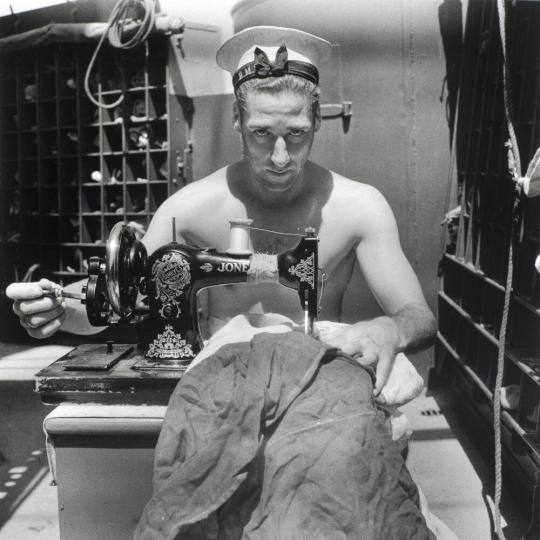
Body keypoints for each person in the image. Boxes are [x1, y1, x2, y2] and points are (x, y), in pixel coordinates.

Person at [6, 25, 436, 398]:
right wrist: (60, 306)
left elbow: (417, 317)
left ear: (318, 123)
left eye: (297, 133)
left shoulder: (360, 206)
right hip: (219, 385)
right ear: (236, 120)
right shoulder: (188, 211)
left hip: (316, 384)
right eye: (262, 133)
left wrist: (388, 331)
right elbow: (120, 297)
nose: (281, 157)